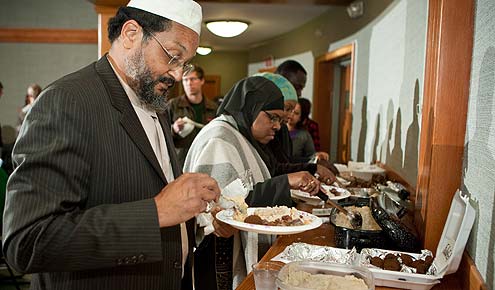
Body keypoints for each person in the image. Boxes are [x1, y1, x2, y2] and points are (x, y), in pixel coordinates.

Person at [2, 1, 221, 289]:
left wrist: (193, 210)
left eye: (184, 63)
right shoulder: (68, 102)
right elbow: (28, 242)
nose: (177, 75)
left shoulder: (158, 105)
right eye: (172, 56)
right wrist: (155, 212)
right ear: (131, 34)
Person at [183, 76, 321, 290]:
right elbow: (222, 207)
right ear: (251, 107)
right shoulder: (219, 137)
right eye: (273, 118)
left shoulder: (242, 135)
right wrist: (284, 183)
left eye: (281, 120)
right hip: (215, 257)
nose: (277, 127)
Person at [166, 65, 218, 167]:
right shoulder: (173, 105)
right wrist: (174, 129)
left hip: (206, 159)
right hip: (181, 161)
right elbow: (161, 134)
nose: (189, 83)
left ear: (202, 81)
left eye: (193, 79)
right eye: (185, 80)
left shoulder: (213, 107)